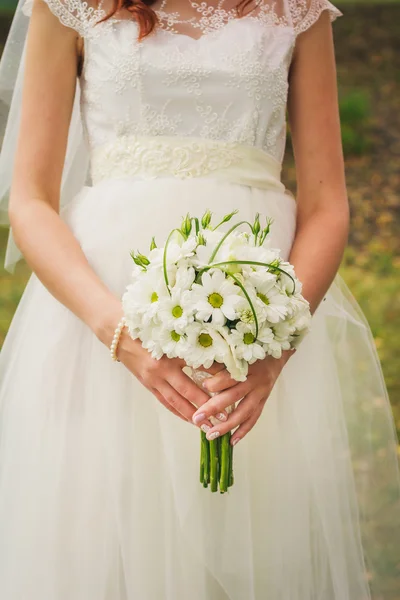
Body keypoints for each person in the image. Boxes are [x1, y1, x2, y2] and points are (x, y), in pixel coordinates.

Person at [0, 0, 398, 598]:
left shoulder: (297, 9)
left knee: (253, 543)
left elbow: (326, 204)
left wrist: (273, 347)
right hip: (102, 318)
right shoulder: (69, 5)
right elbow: (30, 199)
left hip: (257, 317)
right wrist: (119, 334)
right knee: (103, 545)